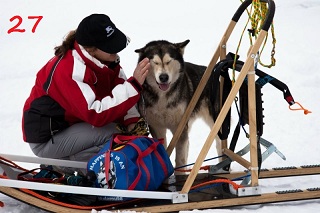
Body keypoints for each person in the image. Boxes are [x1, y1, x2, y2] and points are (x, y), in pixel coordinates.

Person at [22, 14, 150, 168]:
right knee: (114, 131)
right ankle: (68, 166)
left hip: (74, 126)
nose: (116, 50)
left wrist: (132, 122)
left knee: (121, 130)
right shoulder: (70, 70)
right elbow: (96, 114)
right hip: (47, 140)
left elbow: (120, 87)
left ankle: (79, 163)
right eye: (110, 47)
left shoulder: (104, 61)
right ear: (91, 49)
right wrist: (134, 85)